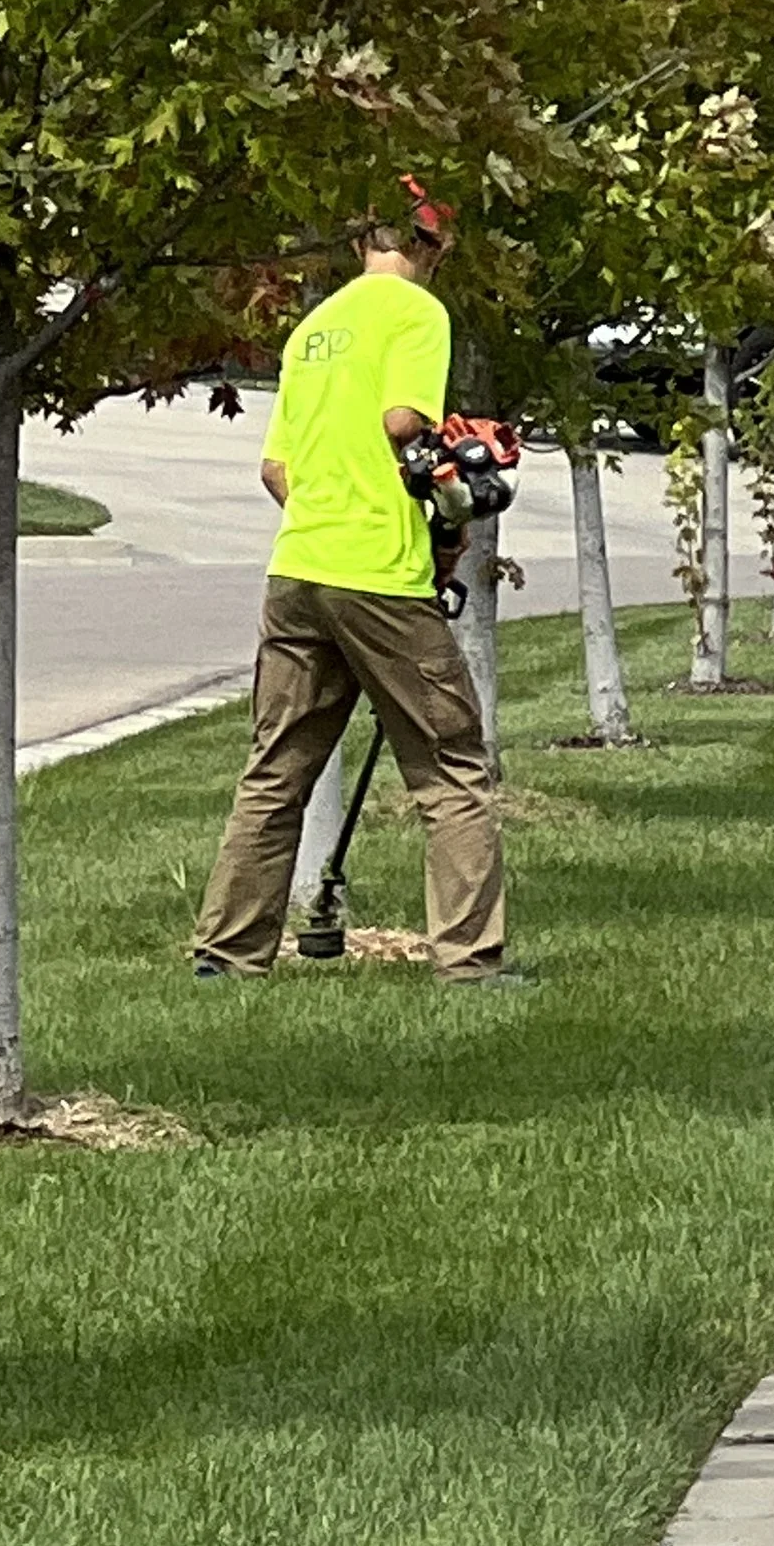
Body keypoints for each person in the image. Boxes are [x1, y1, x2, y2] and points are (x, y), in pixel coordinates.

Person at [191, 188, 520, 985]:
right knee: (452, 766)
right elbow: (404, 419)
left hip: (298, 567)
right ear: (429, 246)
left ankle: (227, 953)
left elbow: (276, 469)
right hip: (379, 576)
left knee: (277, 767)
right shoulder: (416, 313)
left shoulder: (313, 329)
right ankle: (470, 961)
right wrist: (451, 467)